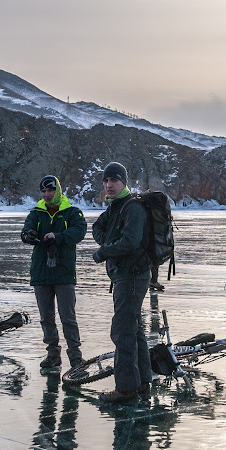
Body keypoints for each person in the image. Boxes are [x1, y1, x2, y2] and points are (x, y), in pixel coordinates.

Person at [91, 161, 153, 404]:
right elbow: (97, 227)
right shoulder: (115, 208)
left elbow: (130, 242)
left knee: (123, 331)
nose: (108, 185)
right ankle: (142, 382)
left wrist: (104, 251)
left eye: (114, 180)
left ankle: (126, 389)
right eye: (106, 181)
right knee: (134, 329)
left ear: (123, 182)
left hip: (132, 277)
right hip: (125, 276)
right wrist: (106, 240)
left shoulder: (133, 208)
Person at [21, 174, 86, 372]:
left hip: (64, 273)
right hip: (41, 274)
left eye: (50, 190)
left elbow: (80, 231)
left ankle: (75, 357)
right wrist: (29, 235)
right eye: (44, 191)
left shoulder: (72, 213)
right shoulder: (36, 213)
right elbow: (25, 232)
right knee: (46, 317)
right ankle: (53, 354)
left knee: (68, 317)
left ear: (57, 190)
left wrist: (58, 237)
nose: (47, 194)